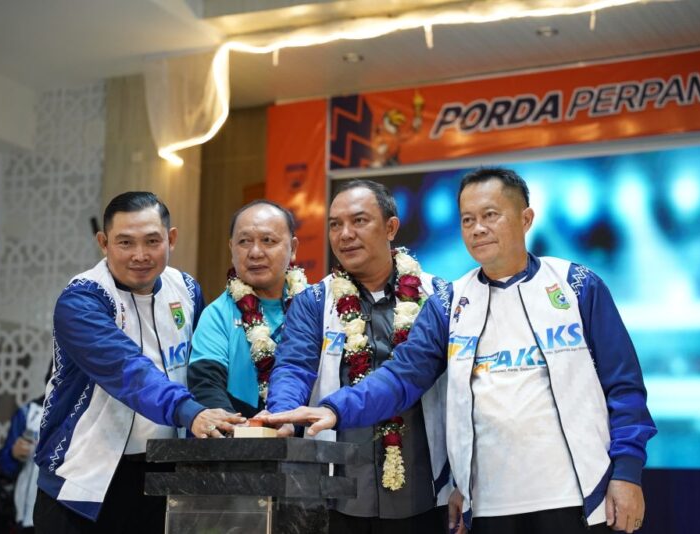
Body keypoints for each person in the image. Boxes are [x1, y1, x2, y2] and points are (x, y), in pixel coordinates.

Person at [266, 167, 657, 534]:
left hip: (579, 496)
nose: (478, 228)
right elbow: (402, 376)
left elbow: (624, 388)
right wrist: (334, 410)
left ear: (526, 219)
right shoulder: (450, 302)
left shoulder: (577, 285)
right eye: (468, 220)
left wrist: (627, 472)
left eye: (490, 215)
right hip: (488, 504)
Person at [33, 191, 245, 534]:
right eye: (125, 242)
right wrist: (190, 412)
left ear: (171, 239)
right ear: (103, 243)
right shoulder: (82, 299)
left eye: (152, 241)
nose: (140, 255)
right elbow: (128, 371)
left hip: (163, 473)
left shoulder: (186, 289)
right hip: (83, 481)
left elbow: (203, 368)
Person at [265, 180, 452, 533]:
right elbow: (293, 367)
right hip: (340, 490)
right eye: (335, 224)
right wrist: (283, 414)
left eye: (359, 221)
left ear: (391, 228)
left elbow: (415, 373)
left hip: (423, 489)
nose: (345, 234)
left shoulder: (439, 296)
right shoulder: (314, 302)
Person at [188, 200, 305, 419]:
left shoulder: (315, 306)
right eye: (244, 241)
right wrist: (241, 430)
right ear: (231, 248)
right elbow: (206, 387)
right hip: (240, 433)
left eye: (268, 240)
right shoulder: (216, 315)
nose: (255, 252)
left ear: (293, 248)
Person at [0, 372, 50, 533]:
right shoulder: (28, 412)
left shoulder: (85, 415)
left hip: (68, 514)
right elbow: (5, 466)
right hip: (30, 513)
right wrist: (13, 455)